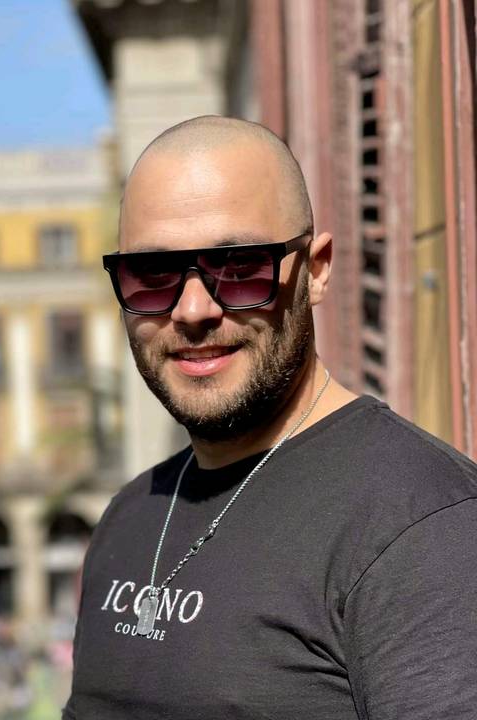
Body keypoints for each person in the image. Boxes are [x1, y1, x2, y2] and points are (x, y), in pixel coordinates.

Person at [63, 116, 477, 719]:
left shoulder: (424, 528)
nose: (193, 310)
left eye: (238, 268)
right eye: (153, 275)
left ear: (316, 270)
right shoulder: (127, 517)